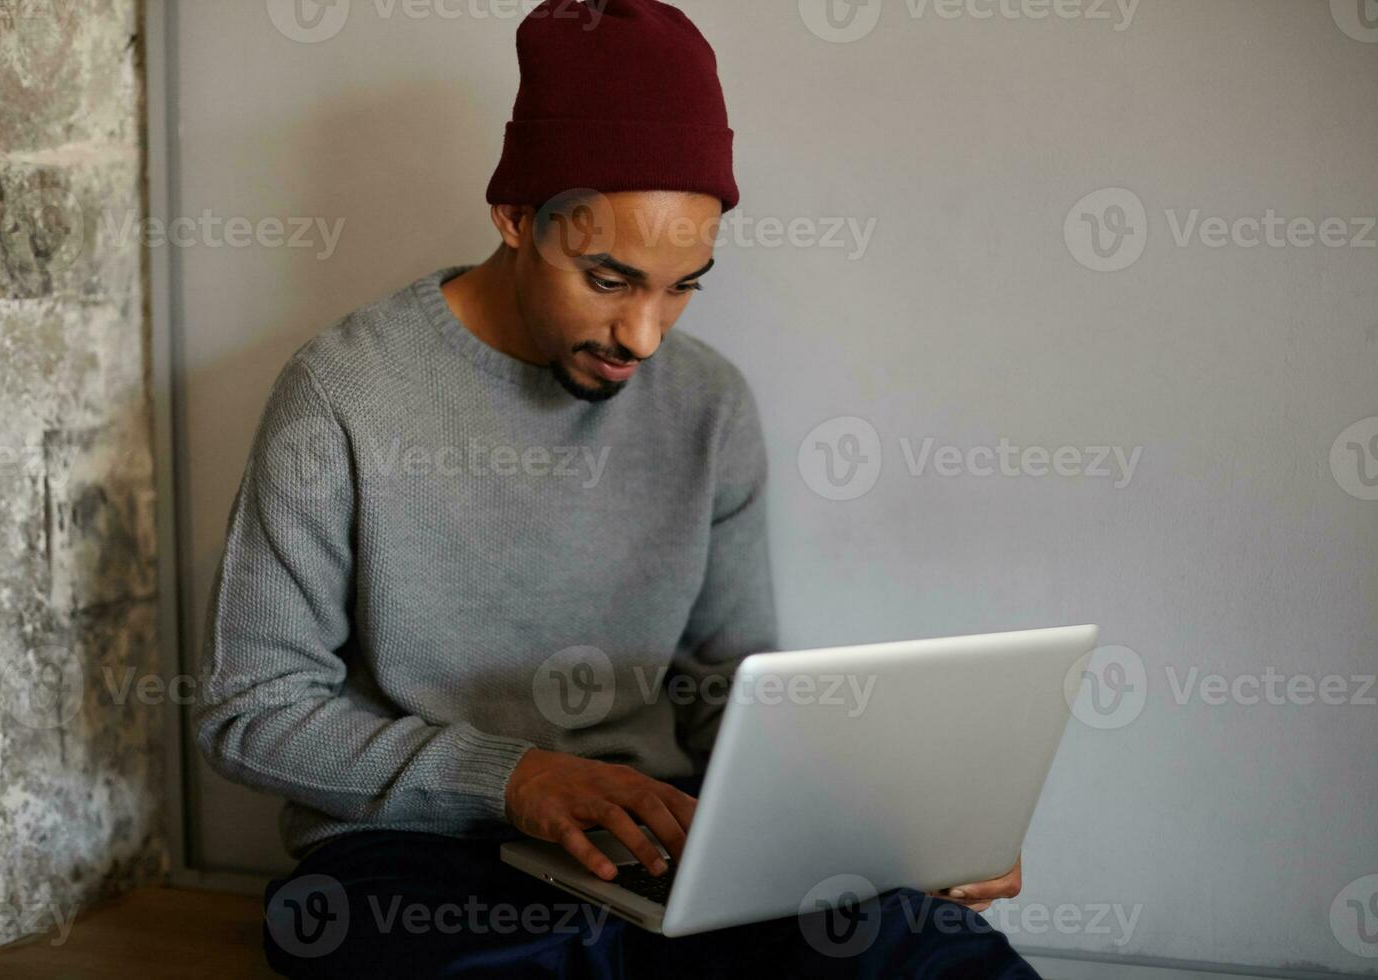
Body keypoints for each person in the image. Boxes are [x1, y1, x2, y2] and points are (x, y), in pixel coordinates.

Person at [195, 0, 1034, 975]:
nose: (644, 333)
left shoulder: (708, 404)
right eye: (608, 279)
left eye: (683, 285)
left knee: (934, 948)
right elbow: (249, 709)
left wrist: (884, 829)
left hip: (657, 839)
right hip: (417, 857)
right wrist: (513, 777)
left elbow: (727, 690)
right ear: (514, 217)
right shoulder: (343, 391)